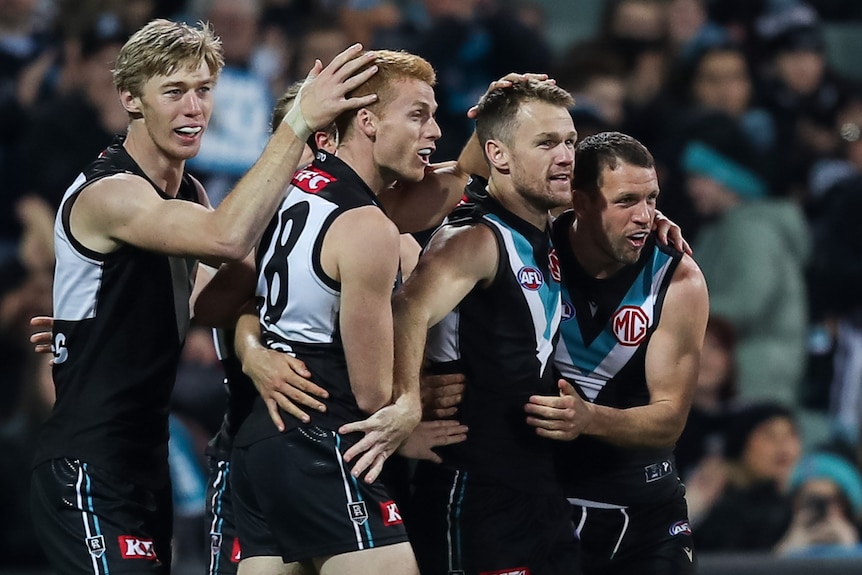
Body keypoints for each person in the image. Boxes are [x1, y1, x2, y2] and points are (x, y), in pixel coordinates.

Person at [28, 17, 379, 575]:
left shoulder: (185, 190)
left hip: (143, 463)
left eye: (203, 90)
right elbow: (228, 238)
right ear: (130, 99)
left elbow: (237, 283)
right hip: (88, 463)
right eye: (173, 91)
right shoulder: (110, 191)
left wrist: (251, 348)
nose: (193, 108)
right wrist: (296, 127)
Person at [227, 49, 441, 574]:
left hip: (261, 437)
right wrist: (415, 402)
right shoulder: (366, 226)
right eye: (418, 115)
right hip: (327, 434)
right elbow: (372, 394)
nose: (434, 132)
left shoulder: (286, 191)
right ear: (366, 121)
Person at [393, 78, 583, 575]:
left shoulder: (544, 228)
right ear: (497, 155)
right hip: (475, 492)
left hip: (538, 488)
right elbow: (405, 310)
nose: (565, 156)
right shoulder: (473, 236)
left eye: (568, 141)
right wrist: (406, 402)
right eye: (545, 144)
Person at [534, 132, 709, 574]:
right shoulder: (529, 249)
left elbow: (669, 419)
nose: (645, 217)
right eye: (627, 200)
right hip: (546, 508)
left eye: (652, 199)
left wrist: (589, 419)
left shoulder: (678, 278)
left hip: (647, 514)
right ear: (581, 202)